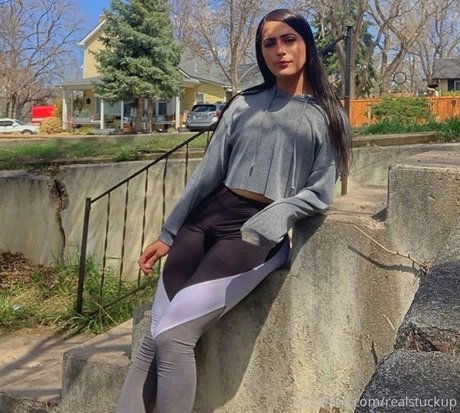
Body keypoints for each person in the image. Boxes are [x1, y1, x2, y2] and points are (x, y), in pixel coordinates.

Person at [116, 8, 351, 413]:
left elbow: (319, 193)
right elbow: (207, 175)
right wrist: (168, 233)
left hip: (254, 232)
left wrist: (276, 216)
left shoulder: (329, 116)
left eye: (289, 39)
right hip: (206, 217)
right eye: (269, 43)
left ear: (307, 44)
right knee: (152, 336)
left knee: (174, 337)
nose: (280, 51)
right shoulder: (244, 103)